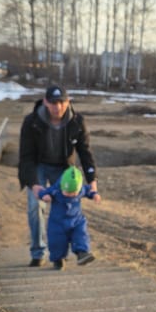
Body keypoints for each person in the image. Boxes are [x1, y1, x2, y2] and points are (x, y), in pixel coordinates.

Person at [18, 84, 98, 267]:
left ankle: (64, 253)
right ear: (45, 102)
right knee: (35, 206)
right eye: (53, 103)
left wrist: (92, 180)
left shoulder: (77, 122)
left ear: (68, 102)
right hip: (38, 165)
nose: (58, 107)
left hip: (63, 169)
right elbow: (26, 157)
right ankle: (38, 252)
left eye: (61, 102)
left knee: (67, 207)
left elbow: (85, 152)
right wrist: (34, 184)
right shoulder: (32, 122)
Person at [36, 165, 101, 270]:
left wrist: (94, 194)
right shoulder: (56, 190)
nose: (70, 195)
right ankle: (58, 260)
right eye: (67, 192)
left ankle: (82, 254)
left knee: (81, 235)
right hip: (58, 223)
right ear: (62, 185)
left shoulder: (81, 190)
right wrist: (44, 196)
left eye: (73, 193)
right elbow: (43, 192)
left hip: (76, 220)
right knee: (57, 243)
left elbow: (88, 190)